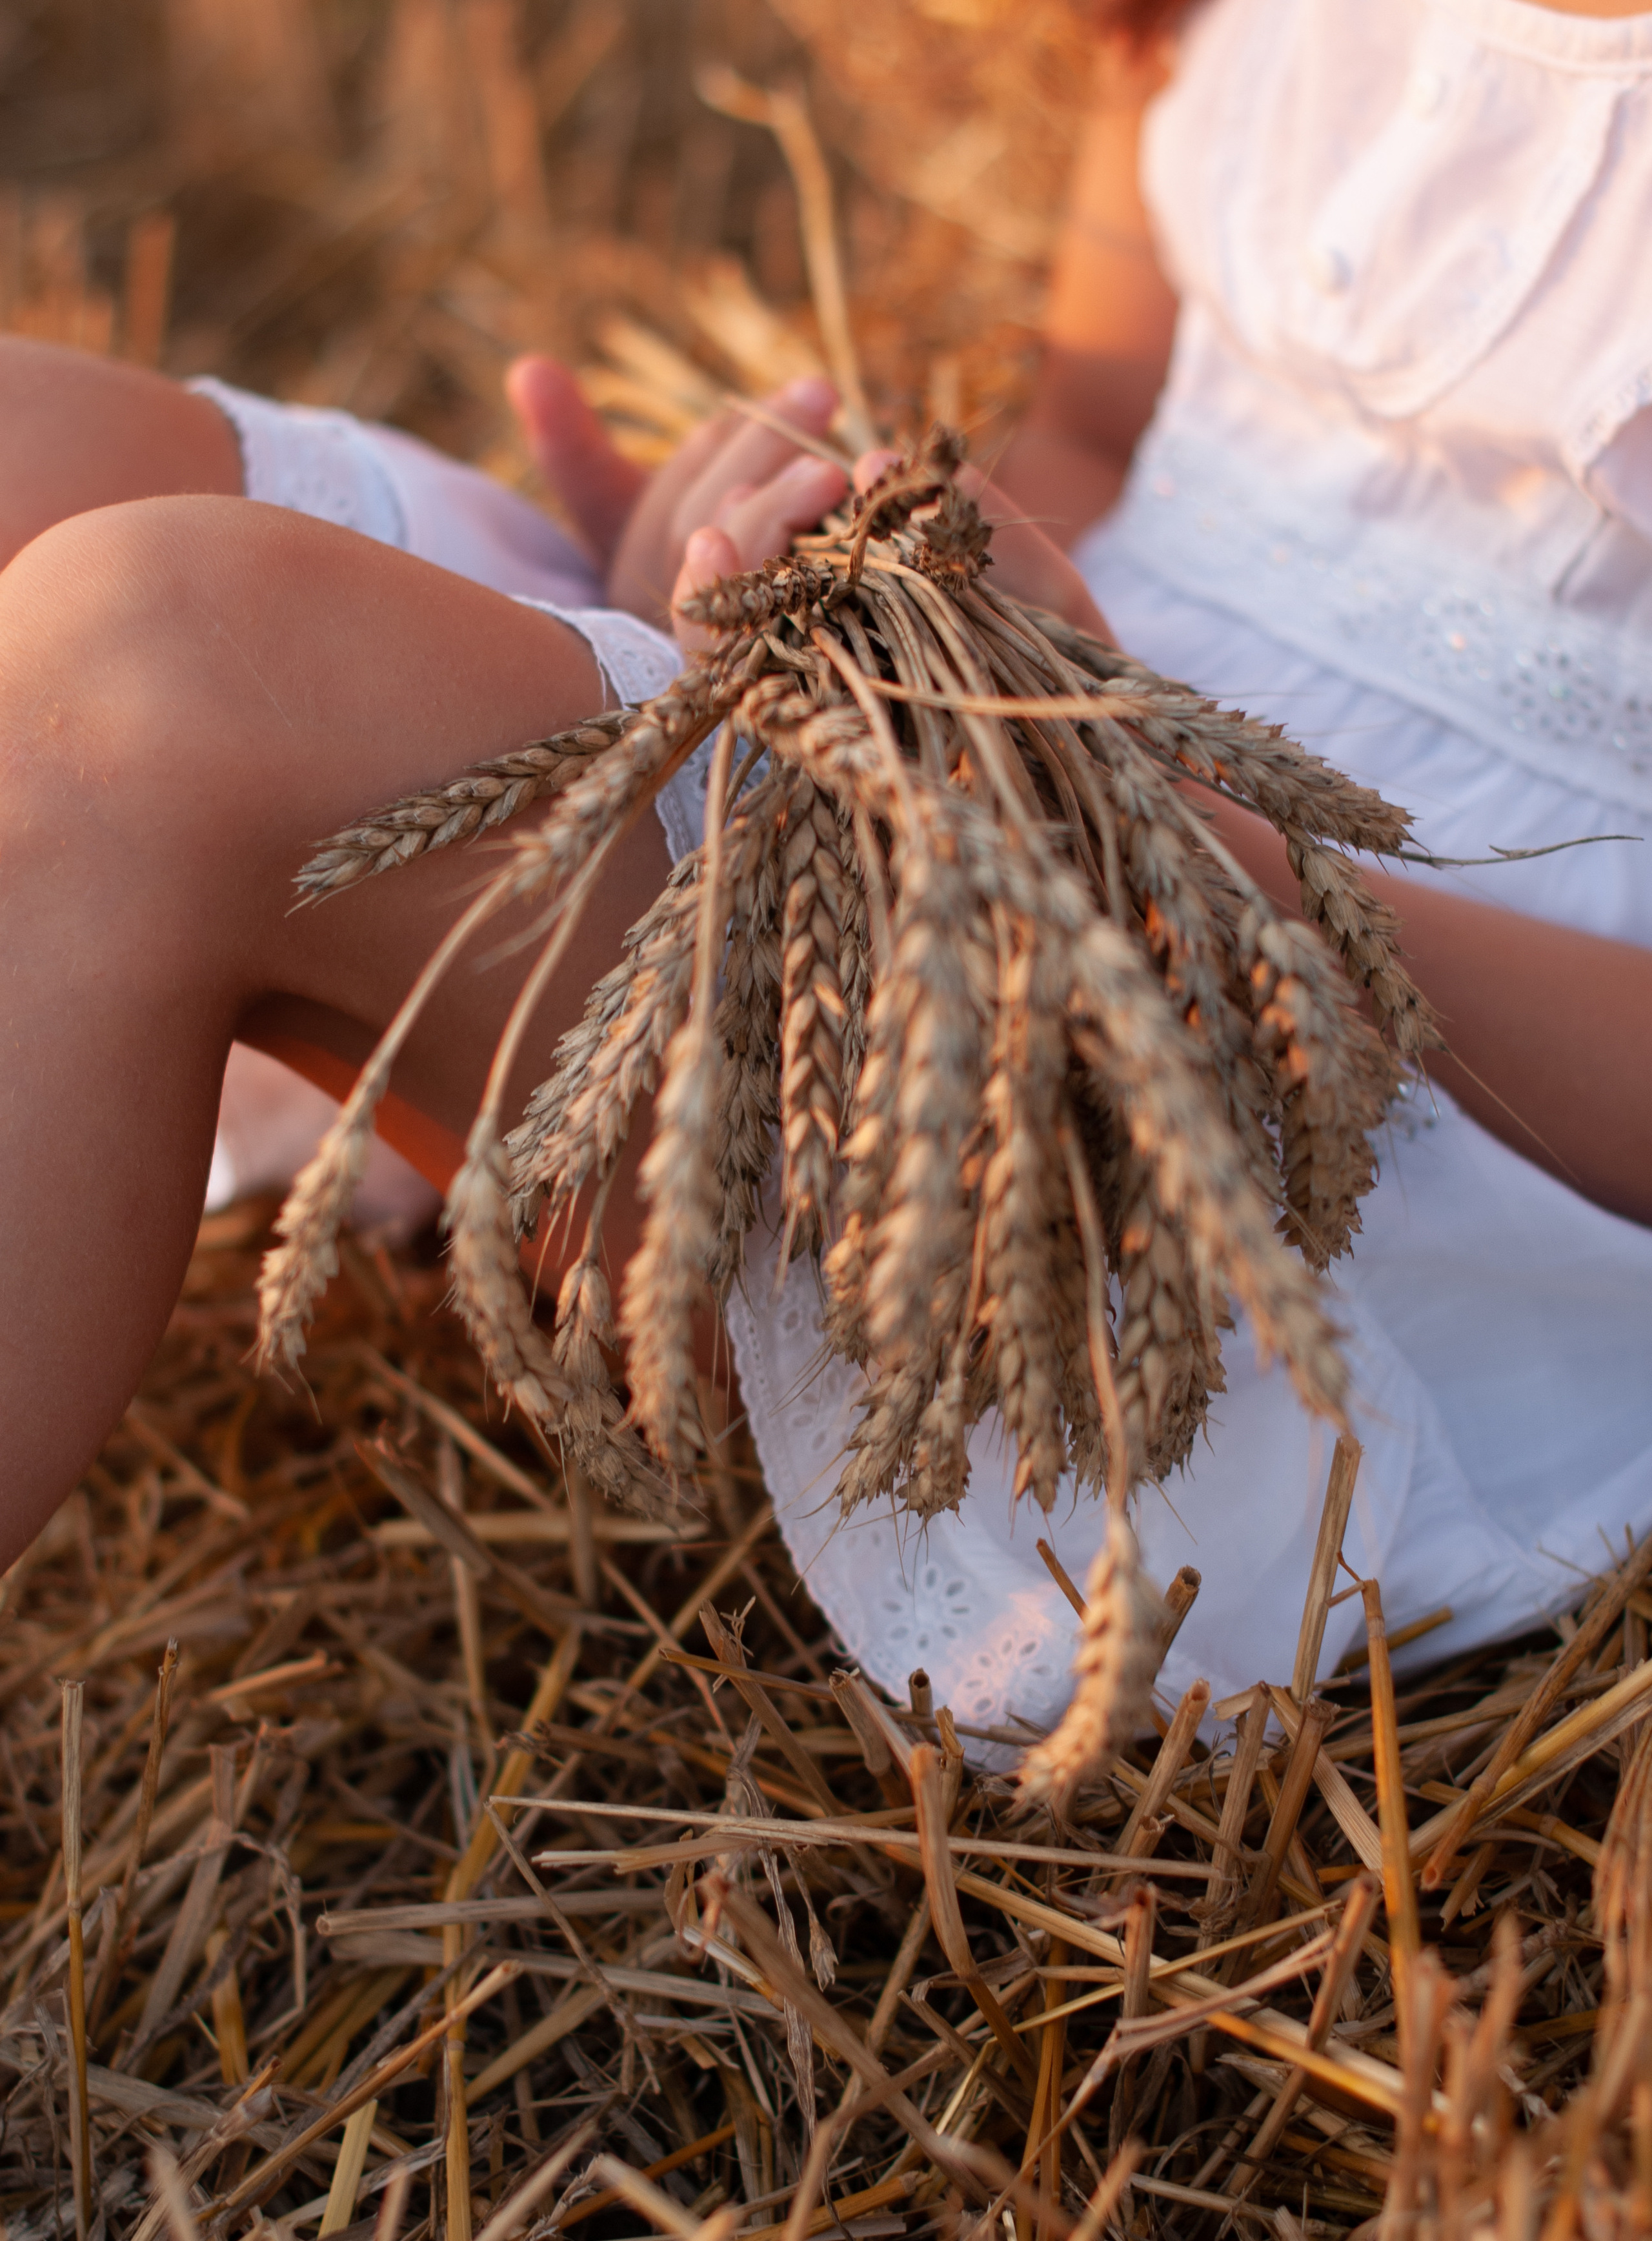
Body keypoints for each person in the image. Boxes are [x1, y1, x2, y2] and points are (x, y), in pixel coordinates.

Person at [1, 0, 1649, 1736]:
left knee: (145, 676)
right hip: (980, 741)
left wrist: (1190, 848)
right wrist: (846, 584)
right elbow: (1095, 433)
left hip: (1298, 1097)